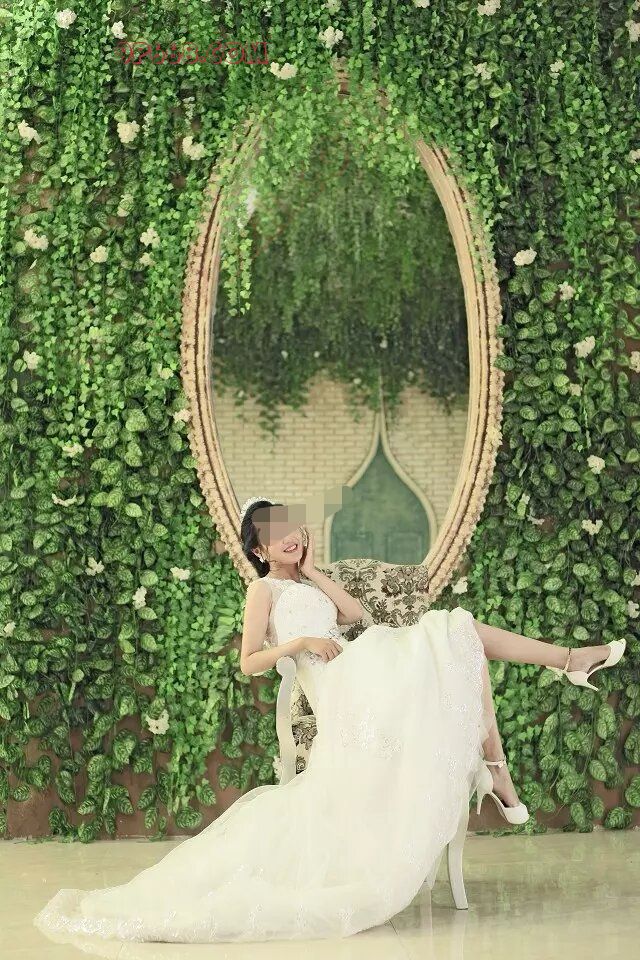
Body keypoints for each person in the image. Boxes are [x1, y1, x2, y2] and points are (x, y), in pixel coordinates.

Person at [33, 495, 626, 945]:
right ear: (260, 550)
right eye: (275, 535)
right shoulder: (263, 591)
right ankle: (520, 732)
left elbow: (358, 615)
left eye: (291, 528)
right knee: (457, 634)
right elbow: (248, 662)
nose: (288, 537)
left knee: (460, 638)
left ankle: (534, 712)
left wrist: (315, 572)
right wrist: (299, 644)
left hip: (365, 662)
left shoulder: (311, 580)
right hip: (340, 684)